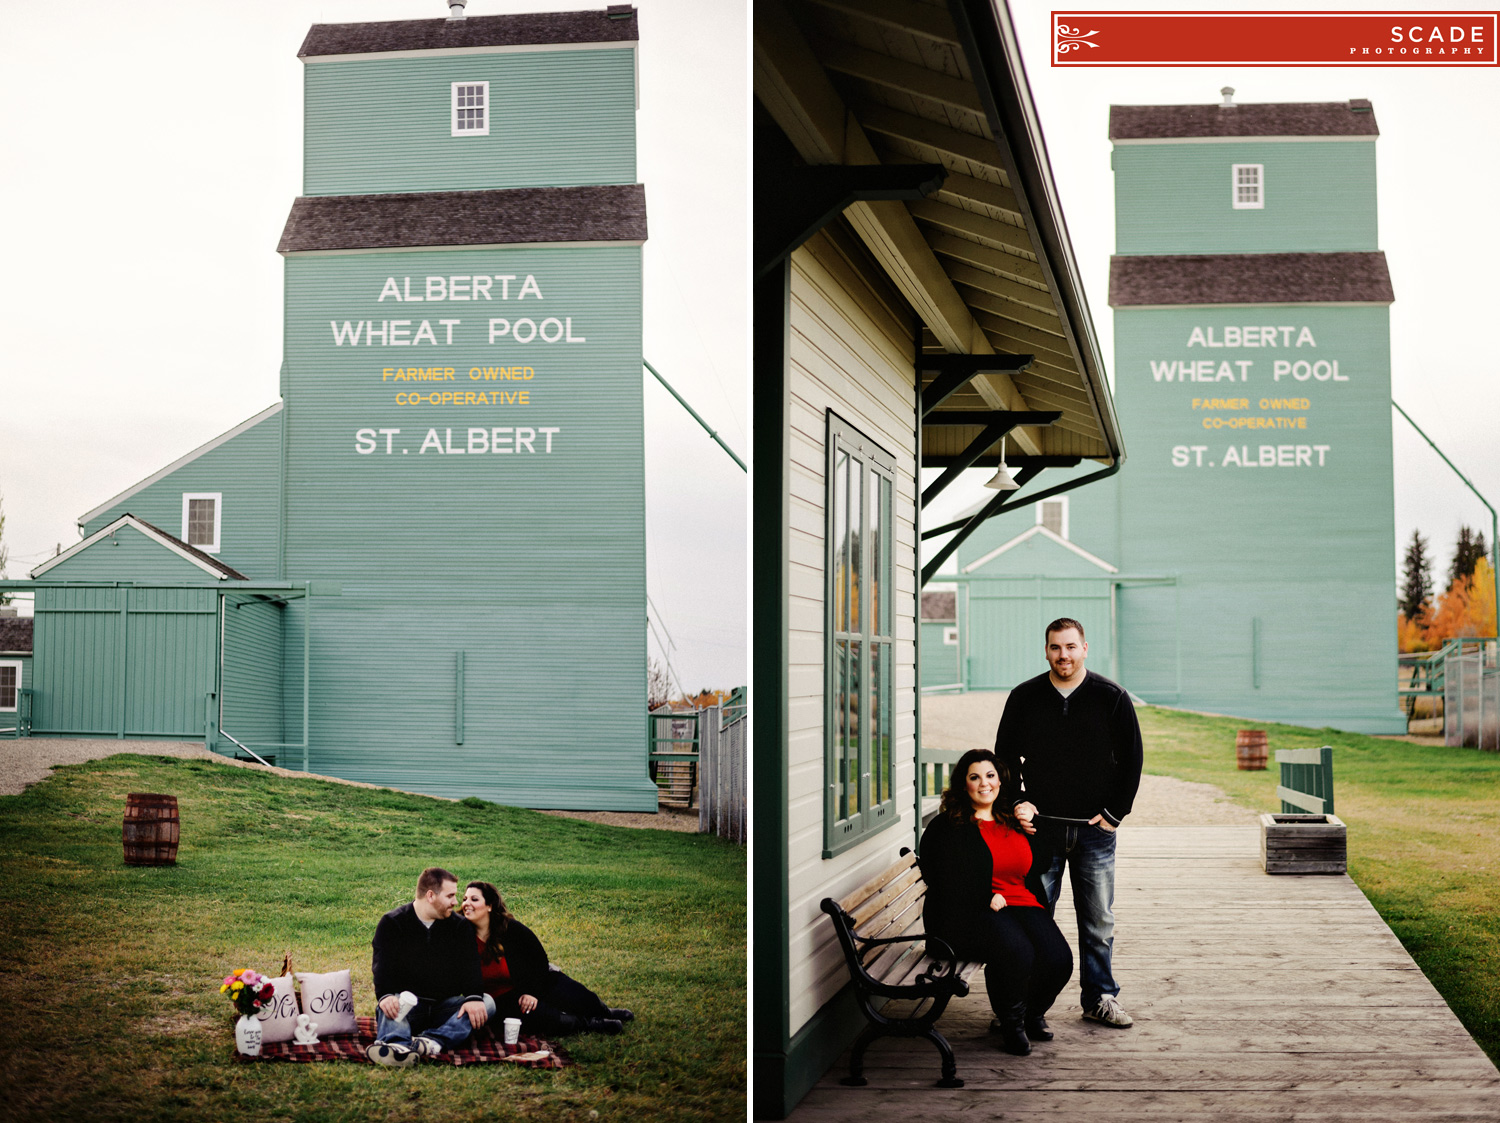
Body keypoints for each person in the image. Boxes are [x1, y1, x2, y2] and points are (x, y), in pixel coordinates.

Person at [994, 617, 1143, 1029]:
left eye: (1071, 647)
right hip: (1040, 832)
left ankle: (1099, 998)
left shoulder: (1110, 697)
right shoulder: (1024, 697)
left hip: (1094, 832)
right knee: (1034, 918)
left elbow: (1132, 758)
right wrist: (1018, 801)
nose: (1064, 655)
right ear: (1046, 650)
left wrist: (1115, 813)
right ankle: (1025, 1006)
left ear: (1085, 648)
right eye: (1056, 648)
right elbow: (1004, 757)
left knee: (1098, 922)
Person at [918, 749, 1073, 1056]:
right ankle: (1011, 1023)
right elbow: (938, 877)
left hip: (1021, 901)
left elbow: (1040, 863)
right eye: (974, 777)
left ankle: (1032, 1014)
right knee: (1018, 952)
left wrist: (1033, 824)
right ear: (964, 785)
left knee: (1059, 959)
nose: (984, 783)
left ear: (1001, 781)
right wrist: (985, 896)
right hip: (971, 911)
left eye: (990, 776)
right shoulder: (949, 826)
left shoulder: (1010, 819)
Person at [460, 881, 634, 1037]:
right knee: (545, 1017)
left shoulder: (510, 928)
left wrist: (531, 992)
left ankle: (604, 1012)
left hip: (535, 981)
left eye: (474, 899)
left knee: (578, 996)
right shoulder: (461, 934)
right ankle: (592, 1024)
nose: (467, 903)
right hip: (503, 999)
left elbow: (539, 959)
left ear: (489, 906)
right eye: (464, 899)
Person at [368, 866, 494, 1068]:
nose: (456, 902)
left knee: (486, 1002)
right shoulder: (393, 923)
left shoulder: (459, 926)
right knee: (390, 1003)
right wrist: (386, 995)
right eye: (450, 895)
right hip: (407, 1007)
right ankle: (398, 1047)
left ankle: (431, 1042)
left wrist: (473, 998)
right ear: (430, 896)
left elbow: (471, 969)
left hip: (443, 1010)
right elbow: (381, 969)